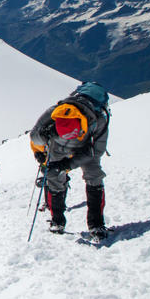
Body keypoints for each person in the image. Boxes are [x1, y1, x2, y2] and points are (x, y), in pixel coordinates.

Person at [30, 82, 110, 240]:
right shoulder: (54, 113)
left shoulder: (98, 120)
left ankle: (96, 224)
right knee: (54, 178)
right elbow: (34, 136)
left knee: (94, 176)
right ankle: (57, 220)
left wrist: (65, 166)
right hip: (58, 147)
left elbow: (95, 152)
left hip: (85, 149)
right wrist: (46, 135)